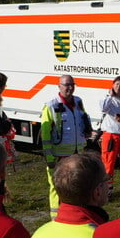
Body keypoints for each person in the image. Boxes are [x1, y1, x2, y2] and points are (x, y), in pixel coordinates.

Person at [41, 75, 93, 216]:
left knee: (77, 184)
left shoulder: (78, 101)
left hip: (77, 153)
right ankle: (56, 216)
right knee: (57, 186)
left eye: (72, 84)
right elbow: (45, 134)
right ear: (59, 86)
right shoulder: (51, 106)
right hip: (59, 155)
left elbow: (83, 119)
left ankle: (76, 213)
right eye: (66, 85)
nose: (70, 87)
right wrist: (49, 156)